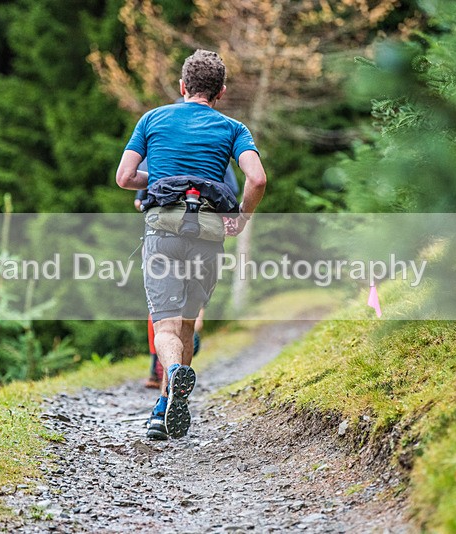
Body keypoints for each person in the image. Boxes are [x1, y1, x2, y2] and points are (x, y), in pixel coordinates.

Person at [116, 49, 267, 440]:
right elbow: (257, 179)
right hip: (208, 238)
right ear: (221, 92)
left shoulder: (152, 119)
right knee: (186, 323)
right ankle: (164, 408)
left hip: (163, 234)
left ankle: (172, 375)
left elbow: (125, 177)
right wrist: (241, 218)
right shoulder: (234, 129)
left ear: (183, 85)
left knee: (165, 327)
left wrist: (158, 180)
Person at [135, 155, 238, 389]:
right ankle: (175, 379)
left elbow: (139, 199)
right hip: (206, 235)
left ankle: (160, 368)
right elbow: (232, 190)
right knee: (191, 314)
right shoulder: (215, 150)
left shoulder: (154, 153)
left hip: (162, 233)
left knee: (161, 312)